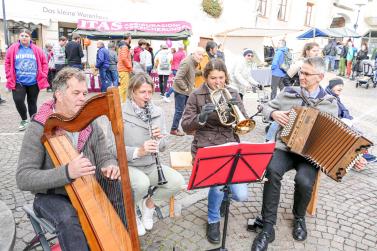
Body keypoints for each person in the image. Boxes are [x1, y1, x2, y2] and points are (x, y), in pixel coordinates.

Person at [251, 57, 366, 251]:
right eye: (301, 72)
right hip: (284, 148)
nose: (301, 76)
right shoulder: (289, 93)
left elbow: (337, 136)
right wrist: (273, 114)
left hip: (311, 154)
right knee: (271, 170)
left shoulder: (329, 103)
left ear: (319, 77)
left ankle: (299, 217)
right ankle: (268, 226)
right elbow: (265, 106)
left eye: (306, 74)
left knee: (304, 181)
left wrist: (353, 157)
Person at [16, 67, 123, 250]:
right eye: (76, 93)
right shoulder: (39, 127)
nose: (83, 98)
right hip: (51, 196)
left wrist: (110, 165)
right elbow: (23, 177)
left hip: (88, 188)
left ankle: (120, 243)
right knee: (68, 218)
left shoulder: (90, 123)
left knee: (120, 190)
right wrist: (67, 172)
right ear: (58, 94)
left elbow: (105, 155)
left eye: (84, 93)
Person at [107, 72, 185, 236]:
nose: (147, 96)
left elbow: (164, 145)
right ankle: (132, 213)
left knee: (178, 182)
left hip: (151, 165)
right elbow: (111, 146)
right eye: (143, 92)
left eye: (150, 92)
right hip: (129, 165)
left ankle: (149, 205)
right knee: (141, 184)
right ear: (132, 92)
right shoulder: (119, 112)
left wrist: (159, 139)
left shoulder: (157, 111)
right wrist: (138, 151)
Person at [181, 59, 249, 244]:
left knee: (241, 195)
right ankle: (213, 220)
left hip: (229, 142)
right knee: (218, 184)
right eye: (213, 78)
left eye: (221, 77)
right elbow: (186, 126)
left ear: (226, 76)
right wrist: (201, 117)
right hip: (206, 144)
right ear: (205, 77)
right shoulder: (196, 94)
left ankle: (225, 196)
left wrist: (236, 110)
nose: (218, 82)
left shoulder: (232, 92)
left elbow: (243, 123)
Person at [5, 29, 49, 131]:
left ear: (30, 38)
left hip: (33, 82)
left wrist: (43, 74)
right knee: (18, 100)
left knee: (32, 102)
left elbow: (44, 62)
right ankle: (24, 120)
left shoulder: (37, 49)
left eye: (26, 36)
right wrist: (8, 74)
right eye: (22, 35)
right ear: (19, 37)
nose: (24, 37)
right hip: (18, 81)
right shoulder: (13, 49)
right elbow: (7, 62)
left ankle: (33, 122)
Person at [325, 78, 375, 164]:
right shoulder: (329, 98)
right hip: (336, 125)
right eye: (338, 85)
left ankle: (361, 154)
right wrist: (346, 118)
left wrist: (349, 118)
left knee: (358, 133)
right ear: (332, 86)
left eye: (342, 86)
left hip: (343, 121)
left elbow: (343, 110)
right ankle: (359, 156)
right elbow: (335, 113)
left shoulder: (335, 96)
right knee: (355, 134)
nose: (341, 87)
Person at [170, 47, 205, 136]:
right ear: (193, 53)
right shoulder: (187, 62)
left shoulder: (193, 62)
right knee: (179, 111)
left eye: (202, 55)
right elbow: (178, 78)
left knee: (189, 110)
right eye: (199, 54)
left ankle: (189, 129)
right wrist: (185, 88)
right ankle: (174, 129)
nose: (201, 57)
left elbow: (191, 73)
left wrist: (201, 72)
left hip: (187, 91)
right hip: (181, 91)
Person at [117, 34, 133, 102]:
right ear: (129, 38)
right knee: (124, 88)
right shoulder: (124, 46)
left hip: (123, 69)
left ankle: (123, 102)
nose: (131, 39)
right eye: (131, 38)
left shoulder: (123, 46)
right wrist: (130, 66)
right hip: (124, 69)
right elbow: (124, 59)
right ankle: (122, 103)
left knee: (123, 87)